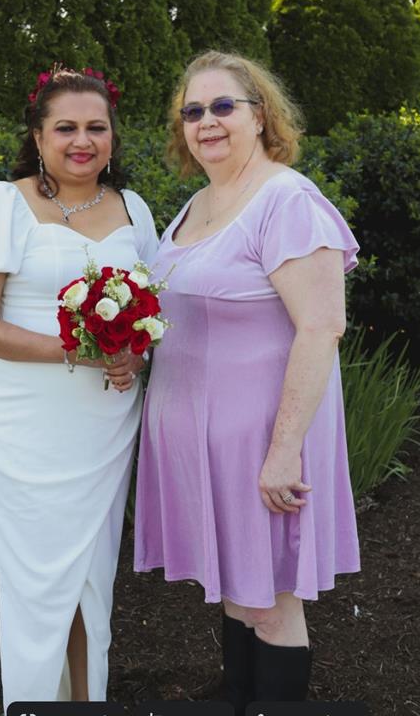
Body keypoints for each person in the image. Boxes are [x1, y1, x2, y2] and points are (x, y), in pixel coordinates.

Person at [134, 50, 361, 711]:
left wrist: (283, 451)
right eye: (192, 111)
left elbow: (321, 326)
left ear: (260, 116)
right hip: (206, 441)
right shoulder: (197, 204)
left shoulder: (285, 201)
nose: (206, 121)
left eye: (223, 106)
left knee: (269, 601)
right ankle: (236, 698)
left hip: (265, 437)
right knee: (238, 589)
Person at [0, 66, 159, 711]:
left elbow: (150, 316)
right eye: (65, 127)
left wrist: (133, 356)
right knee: (36, 582)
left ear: (113, 136)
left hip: (106, 421)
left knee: (93, 577)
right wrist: (82, 352)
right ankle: (36, 702)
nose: (82, 141)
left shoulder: (134, 208)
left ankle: (87, 701)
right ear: (38, 137)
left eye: (97, 127)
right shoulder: (0, 206)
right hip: (26, 424)